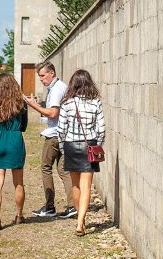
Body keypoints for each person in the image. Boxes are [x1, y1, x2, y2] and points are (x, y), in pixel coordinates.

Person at [24, 62, 75, 219]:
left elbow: (53, 113)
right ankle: (73, 205)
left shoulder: (57, 89)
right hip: (64, 133)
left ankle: (50, 207)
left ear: (52, 73)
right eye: (39, 76)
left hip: (54, 135)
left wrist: (33, 105)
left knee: (46, 167)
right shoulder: (59, 87)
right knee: (63, 170)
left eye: (43, 75)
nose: (41, 79)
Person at [57, 69, 105, 236]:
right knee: (86, 187)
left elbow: (61, 129)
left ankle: (80, 218)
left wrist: (63, 148)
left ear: (73, 84)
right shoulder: (95, 102)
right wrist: (97, 146)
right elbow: (101, 129)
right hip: (89, 145)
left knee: (75, 185)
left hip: (70, 145)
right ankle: (80, 222)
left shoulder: (67, 103)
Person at [0, 73, 29, 231]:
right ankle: (19, 215)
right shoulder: (21, 104)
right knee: (18, 182)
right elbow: (24, 125)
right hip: (15, 141)